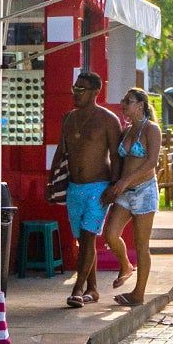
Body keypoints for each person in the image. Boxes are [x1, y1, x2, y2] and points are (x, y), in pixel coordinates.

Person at [47, 71, 120, 308]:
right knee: (83, 240)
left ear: (95, 92)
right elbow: (60, 151)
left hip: (99, 188)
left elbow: (117, 157)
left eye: (81, 89)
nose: (76, 93)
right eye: (74, 88)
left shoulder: (109, 120)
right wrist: (51, 183)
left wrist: (115, 186)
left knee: (89, 238)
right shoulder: (69, 118)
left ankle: (77, 288)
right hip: (74, 189)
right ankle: (93, 289)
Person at [104, 89, 161, 308]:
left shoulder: (151, 129)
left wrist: (125, 182)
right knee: (110, 235)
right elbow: (118, 161)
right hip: (124, 192)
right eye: (123, 100)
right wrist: (114, 184)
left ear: (140, 105)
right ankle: (126, 265)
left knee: (141, 244)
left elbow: (151, 163)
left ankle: (138, 293)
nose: (123, 104)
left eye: (128, 101)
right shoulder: (127, 131)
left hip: (144, 191)